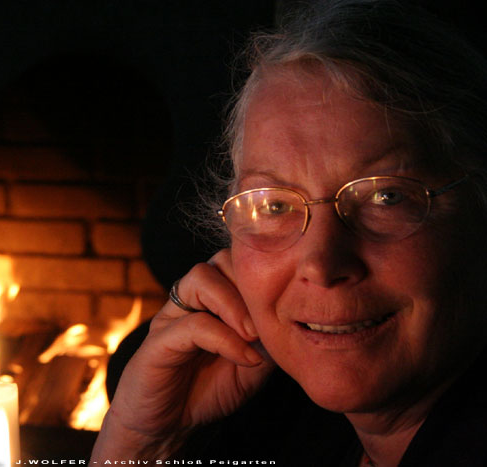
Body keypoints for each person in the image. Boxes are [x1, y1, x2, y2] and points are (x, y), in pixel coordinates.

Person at [91, 0, 487, 465]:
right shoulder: (270, 417)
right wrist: (142, 441)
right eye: (275, 204)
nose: (321, 264)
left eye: (386, 197)